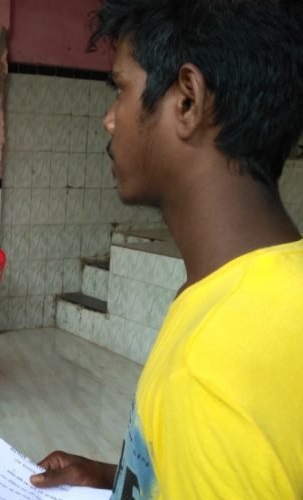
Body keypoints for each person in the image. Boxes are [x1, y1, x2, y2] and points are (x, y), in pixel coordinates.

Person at [30, 0, 303, 498]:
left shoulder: (210, 374)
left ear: (187, 102)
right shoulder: (267, 287)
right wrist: (123, 480)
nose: (110, 120)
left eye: (121, 89)